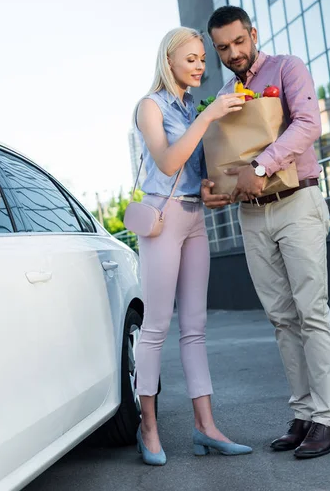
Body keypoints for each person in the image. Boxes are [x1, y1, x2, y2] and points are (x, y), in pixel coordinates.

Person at [201, 6, 330, 459]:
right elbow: (222, 154)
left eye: (238, 42)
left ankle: (328, 419)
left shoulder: (287, 68)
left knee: (311, 312)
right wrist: (215, 187)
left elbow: (307, 125)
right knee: (282, 319)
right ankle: (303, 414)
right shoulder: (224, 94)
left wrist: (261, 165)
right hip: (252, 215)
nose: (233, 53)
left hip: (297, 203)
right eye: (222, 47)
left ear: (252, 34)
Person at [134, 26, 252, 465]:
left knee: (196, 328)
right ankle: (149, 429)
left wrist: (208, 188)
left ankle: (206, 427)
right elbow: (166, 160)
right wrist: (209, 116)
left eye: (203, 58)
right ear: (169, 62)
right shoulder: (150, 106)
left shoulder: (191, 108)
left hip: (193, 218)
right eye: (192, 59)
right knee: (156, 327)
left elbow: (190, 173)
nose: (201, 65)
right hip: (162, 221)